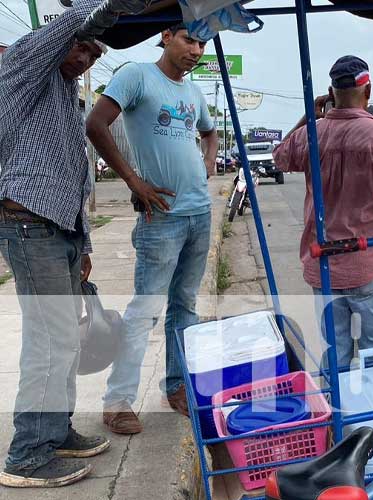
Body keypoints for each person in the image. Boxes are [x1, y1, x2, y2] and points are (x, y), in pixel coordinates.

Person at [0, 0, 111, 488]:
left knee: (66, 338)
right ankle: (27, 454)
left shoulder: (68, 96)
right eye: (78, 45)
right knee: (50, 341)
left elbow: (73, 174)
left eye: (94, 53)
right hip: (29, 225)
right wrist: (98, 9)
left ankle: (55, 430)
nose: (84, 56)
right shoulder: (24, 70)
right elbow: (64, 28)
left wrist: (83, 240)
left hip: (59, 228)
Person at [86, 23, 217, 435]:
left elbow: (209, 132)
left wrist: (209, 162)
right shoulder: (137, 76)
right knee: (145, 311)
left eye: (201, 43)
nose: (195, 50)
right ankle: (118, 400)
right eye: (188, 40)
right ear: (165, 36)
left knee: (185, 307)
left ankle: (176, 386)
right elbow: (96, 124)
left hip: (200, 215)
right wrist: (134, 182)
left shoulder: (194, 93)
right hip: (159, 219)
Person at [273, 55, 373, 369]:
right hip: (370, 261)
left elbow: (280, 157)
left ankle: (338, 418)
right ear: (367, 91)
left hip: (324, 263)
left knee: (335, 354)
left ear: (331, 92)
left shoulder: (312, 134)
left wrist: (308, 118)